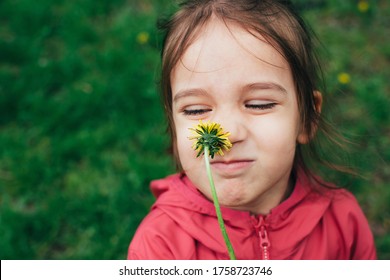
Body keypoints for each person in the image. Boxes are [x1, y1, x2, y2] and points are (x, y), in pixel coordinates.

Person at [127, 0, 376, 260]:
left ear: (306, 118)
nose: (228, 134)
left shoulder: (343, 224)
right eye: (196, 110)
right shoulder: (158, 248)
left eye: (259, 104)